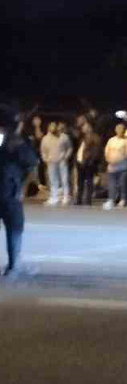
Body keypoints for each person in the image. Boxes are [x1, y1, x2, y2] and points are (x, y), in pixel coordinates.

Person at [1, 109, 39, 277]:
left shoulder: (11, 140)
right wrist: (23, 187)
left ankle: (13, 265)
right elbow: (32, 163)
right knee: (14, 227)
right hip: (9, 190)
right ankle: (13, 265)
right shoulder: (16, 141)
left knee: (13, 227)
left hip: (8, 188)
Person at [41, 121, 73, 206]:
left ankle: (66, 196)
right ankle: (54, 197)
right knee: (53, 180)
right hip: (51, 162)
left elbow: (69, 148)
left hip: (62, 161)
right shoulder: (45, 139)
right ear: (48, 128)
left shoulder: (64, 137)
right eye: (51, 126)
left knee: (64, 179)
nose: (53, 128)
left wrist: (66, 157)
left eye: (54, 126)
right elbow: (43, 150)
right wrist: (45, 159)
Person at [75, 124, 103, 206]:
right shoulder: (82, 138)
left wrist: (91, 160)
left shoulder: (95, 137)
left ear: (89, 128)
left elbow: (96, 151)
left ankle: (88, 200)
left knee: (89, 182)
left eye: (84, 127)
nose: (82, 128)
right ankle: (79, 199)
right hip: (80, 162)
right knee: (80, 182)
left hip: (88, 163)